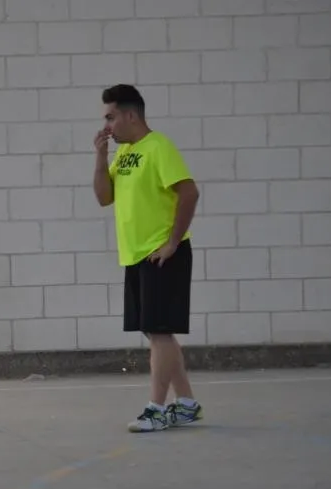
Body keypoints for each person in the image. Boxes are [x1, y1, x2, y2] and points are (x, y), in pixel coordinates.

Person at [92, 84, 203, 433]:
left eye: (111, 117)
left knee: (159, 332)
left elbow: (189, 192)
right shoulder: (125, 153)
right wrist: (101, 157)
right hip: (136, 254)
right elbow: (104, 197)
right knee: (156, 332)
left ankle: (156, 409)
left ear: (131, 115)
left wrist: (172, 243)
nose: (107, 125)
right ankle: (186, 404)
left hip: (161, 254)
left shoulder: (158, 147)